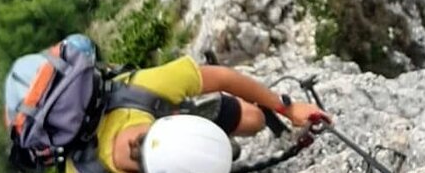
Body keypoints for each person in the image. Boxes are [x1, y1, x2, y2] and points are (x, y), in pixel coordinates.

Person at [78, 54, 329, 173]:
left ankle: (201, 122)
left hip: (154, 111)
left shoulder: (141, 88)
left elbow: (222, 77)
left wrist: (287, 108)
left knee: (255, 119)